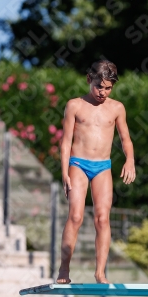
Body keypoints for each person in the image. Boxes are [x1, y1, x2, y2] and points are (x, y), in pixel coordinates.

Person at [57, 60, 135, 283]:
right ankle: (64, 269)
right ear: (89, 80)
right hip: (78, 164)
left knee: (103, 219)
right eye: (99, 86)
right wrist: (64, 172)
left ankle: (100, 272)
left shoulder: (117, 108)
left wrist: (129, 160)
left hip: (103, 166)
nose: (102, 92)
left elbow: (126, 139)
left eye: (108, 88)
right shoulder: (75, 105)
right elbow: (65, 142)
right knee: (76, 216)